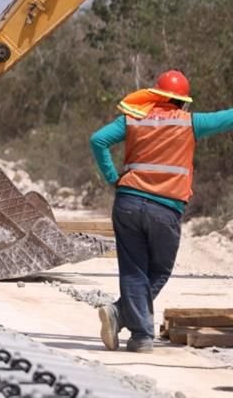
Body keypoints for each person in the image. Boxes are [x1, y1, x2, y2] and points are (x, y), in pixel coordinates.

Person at [90, 69, 233, 352]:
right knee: (160, 270)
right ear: (183, 101)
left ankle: (140, 336)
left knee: (134, 270)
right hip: (164, 207)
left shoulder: (134, 118)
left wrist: (112, 178)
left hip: (128, 202)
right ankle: (122, 316)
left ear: (156, 95)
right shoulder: (191, 122)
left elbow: (98, 140)